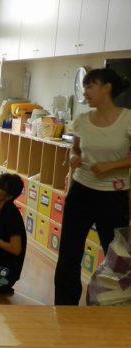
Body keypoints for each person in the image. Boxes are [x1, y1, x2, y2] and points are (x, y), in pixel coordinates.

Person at [54, 68, 131, 305]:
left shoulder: (127, 118)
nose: (85, 92)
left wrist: (110, 166)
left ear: (106, 88)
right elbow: (75, 149)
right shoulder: (82, 120)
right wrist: (73, 158)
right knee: (69, 254)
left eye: (89, 86)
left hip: (113, 195)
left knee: (116, 254)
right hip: (81, 191)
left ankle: (113, 304)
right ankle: (64, 308)